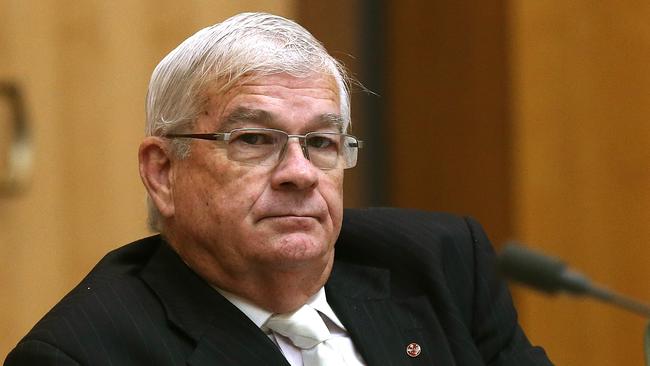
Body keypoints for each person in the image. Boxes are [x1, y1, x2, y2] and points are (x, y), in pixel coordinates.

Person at [5, 12, 552, 366]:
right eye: (254, 139)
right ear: (162, 172)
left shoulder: (442, 262)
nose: (300, 172)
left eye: (321, 141)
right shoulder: (83, 356)